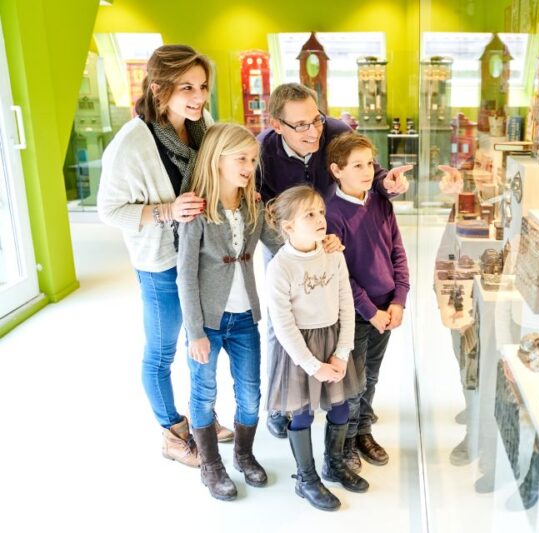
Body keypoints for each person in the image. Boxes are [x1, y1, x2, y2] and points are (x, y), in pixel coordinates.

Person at [257, 82, 460, 438]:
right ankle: (284, 402)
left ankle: (343, 403)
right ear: (277, 125)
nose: (312, 130)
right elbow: (261, 210)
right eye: (300, 125)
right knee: (284, 324)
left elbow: (372, 173)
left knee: (332, 318)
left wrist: (388, 185)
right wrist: (297, 245)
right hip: (288, 244)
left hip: (335, 238)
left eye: (316, 119)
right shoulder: (263, 152)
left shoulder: (335, 130)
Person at [97, 44, 232, 468]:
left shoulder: (200, 125)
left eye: (203, 86)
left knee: (202, 342)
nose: (198, 97)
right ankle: (171, 431)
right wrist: (166, 211)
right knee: (161, 351)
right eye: (186, 87)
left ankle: (201, 419)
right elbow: (109, 210)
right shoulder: (131, 143)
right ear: (159, 89)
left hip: (200, 254)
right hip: (160, 263)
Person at [175, 123, 281, 500]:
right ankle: (211, 465)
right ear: (217, 160)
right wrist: (196, 332)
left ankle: (243, 454)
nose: (249, 165)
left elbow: (280, 244)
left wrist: (316, 240)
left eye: (253, 159)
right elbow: (185, 276)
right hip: (207, 322)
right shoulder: (197, 210)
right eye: (241, 158)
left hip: (245, 320)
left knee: (251, 394)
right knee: (203, 393)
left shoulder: (252, 205)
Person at [264, 185, 369, 511]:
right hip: (300, 350)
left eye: (321, 212)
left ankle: (333, 463)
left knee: (341, 406)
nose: (320, 218)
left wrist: (341, 352)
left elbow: (345, 306)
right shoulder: (279, 268)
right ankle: (306, 478)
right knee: (303, 412)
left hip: (332, 341)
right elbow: (282, 325)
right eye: (309, 214)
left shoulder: (333, 254)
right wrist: (312, 364)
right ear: (289, 226)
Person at [325, 133, 410, 472]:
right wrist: (370, 311)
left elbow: (398, 253)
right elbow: (341, 274)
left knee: (371, 377)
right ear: (336, 170)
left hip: (386, 310)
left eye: (370, 164)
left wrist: (399, 300)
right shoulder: (332, 214)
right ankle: (344, 444)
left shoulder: (380, 202)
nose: (366, 171)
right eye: (357, 165)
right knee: (352, 384)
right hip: (358, 315)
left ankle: (363, 432)